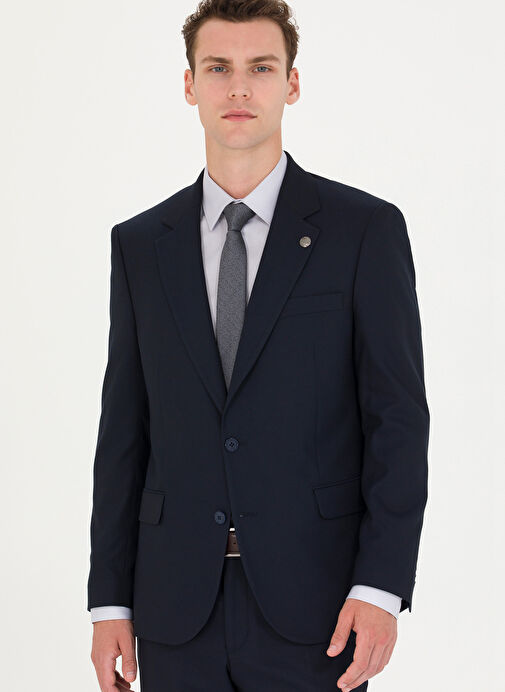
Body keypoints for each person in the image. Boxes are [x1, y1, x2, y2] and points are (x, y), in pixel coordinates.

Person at [87, 1, 430, 690]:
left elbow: (396, 419)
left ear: (291, 84)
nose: (239, 88)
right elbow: (125, 430)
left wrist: (381, 586)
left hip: (320, 605)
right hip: (174, 609)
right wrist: (110, 600)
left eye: (261, 68)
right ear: (190, 85)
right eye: (218, 68)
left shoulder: (362, 231)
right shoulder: (141, 245)